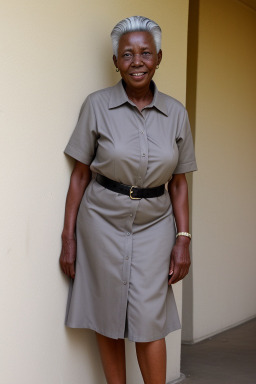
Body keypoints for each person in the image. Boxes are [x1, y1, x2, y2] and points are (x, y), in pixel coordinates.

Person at [60, 16, 197, 384]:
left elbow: (180, 184)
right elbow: (80, 175)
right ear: (116, 62)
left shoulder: (176, 113)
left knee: (149, 319)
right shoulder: (97, 105)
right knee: (107, 312)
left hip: (155, 223)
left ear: (159, 58)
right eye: (127, 54)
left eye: (146, 52)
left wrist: (183, 240)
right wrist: (68, 238)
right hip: (101, 220)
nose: (137, 61)